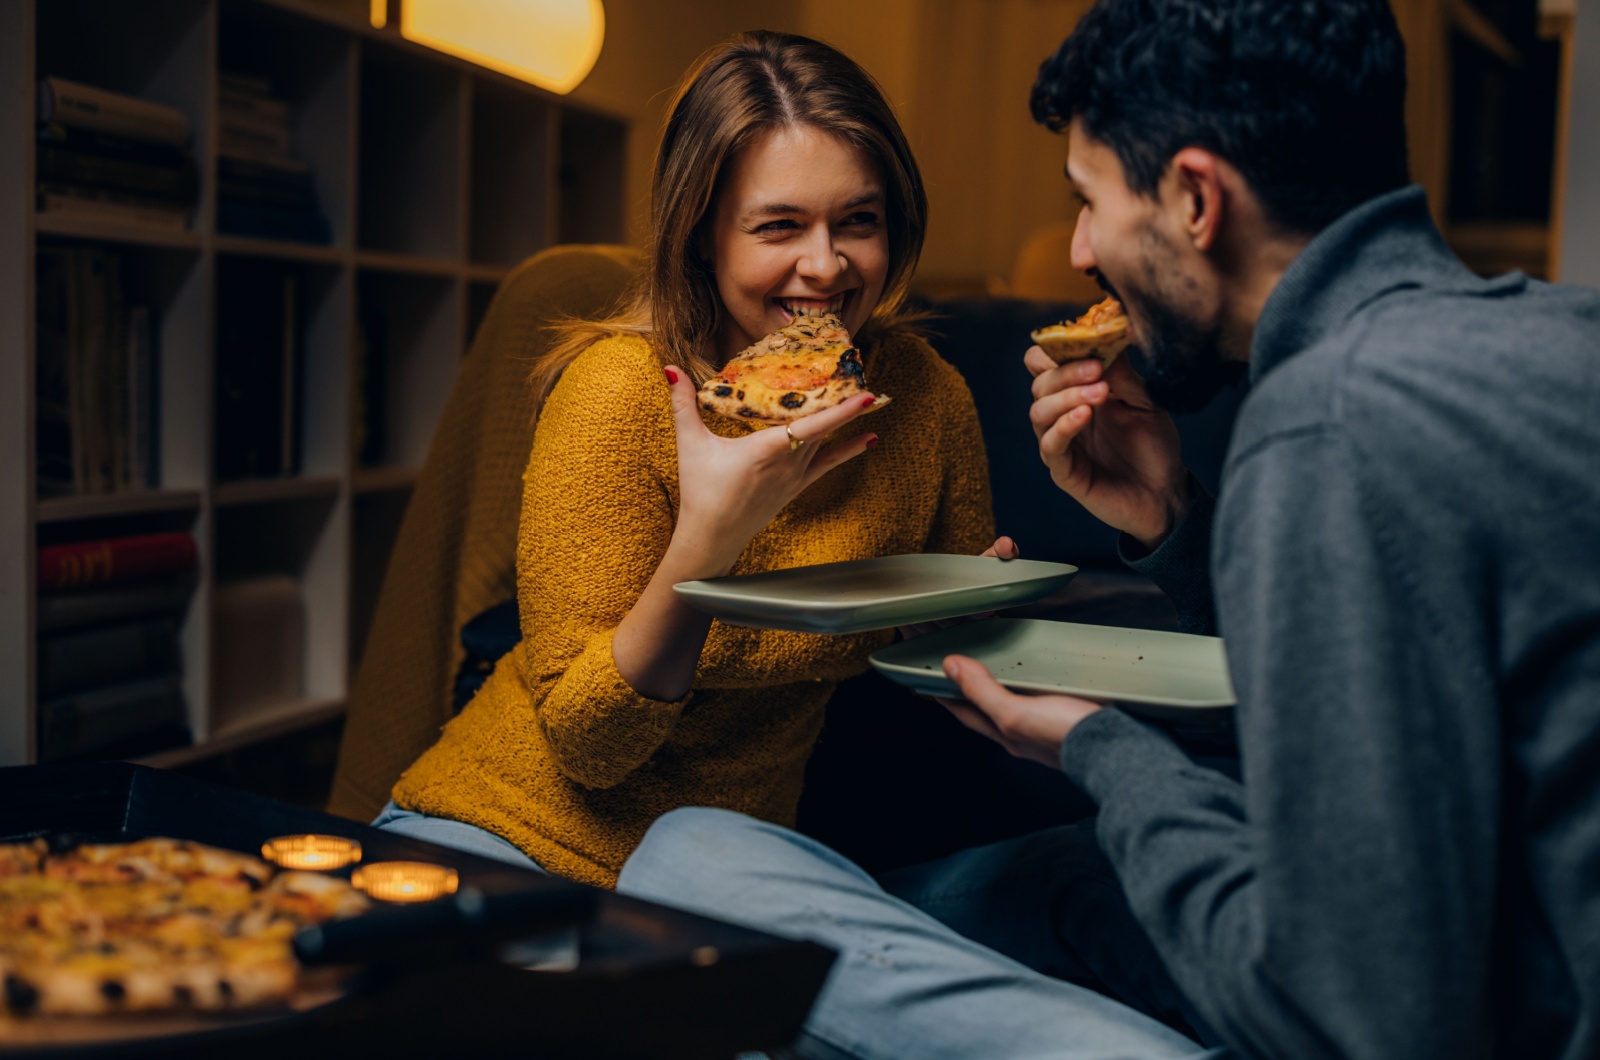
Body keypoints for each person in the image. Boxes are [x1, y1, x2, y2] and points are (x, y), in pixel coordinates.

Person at [617, 1, 1600, 1057]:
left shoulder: (1326, 417)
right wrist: (1176, 521)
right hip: (1500, 936)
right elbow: (1393, 709)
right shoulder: (1559, 340)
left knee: (692, 871)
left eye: (1089, 200)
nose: (1079, 250)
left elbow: (1363, 1016)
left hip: (1436, 1012)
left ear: (1193, 198)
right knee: (1001, 887)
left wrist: (1097, 746)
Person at [371, 31, 1009, 888]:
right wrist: (707, 541)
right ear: (702, 234)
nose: (825, 266)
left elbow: (949, 662)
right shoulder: (617, 395)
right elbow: (589, 749)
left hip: (731, 872)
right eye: (778, 226)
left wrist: (959, 622)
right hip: (506, 836)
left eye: (859, 220)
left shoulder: (927, 398)